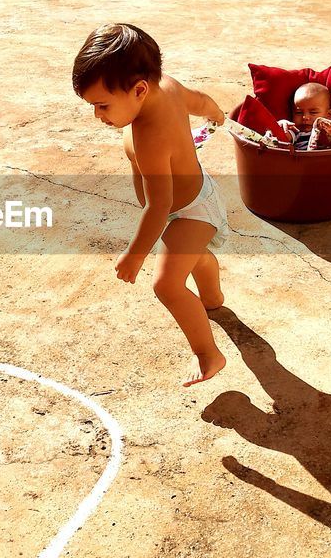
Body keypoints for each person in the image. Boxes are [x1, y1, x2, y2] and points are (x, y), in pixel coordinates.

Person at [73, 23, 230, 387]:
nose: (98, 115)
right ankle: (212, 297)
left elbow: (159, 207)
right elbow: (201, 101)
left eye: (102, 105)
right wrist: (216, 114)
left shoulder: (150, 137)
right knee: (193, 256)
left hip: (190, 210)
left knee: (167, 285)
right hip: (188, 202)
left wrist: (135, 255)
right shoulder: (166, 86)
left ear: (139, 89)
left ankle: (209, 354)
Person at [277, 81, 331, 150]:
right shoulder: (296, 132)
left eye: (313, 112)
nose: (305, 117)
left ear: (329, 115)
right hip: (303, 159)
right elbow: (282, 137)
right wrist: (281, 127)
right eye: (299, 112)